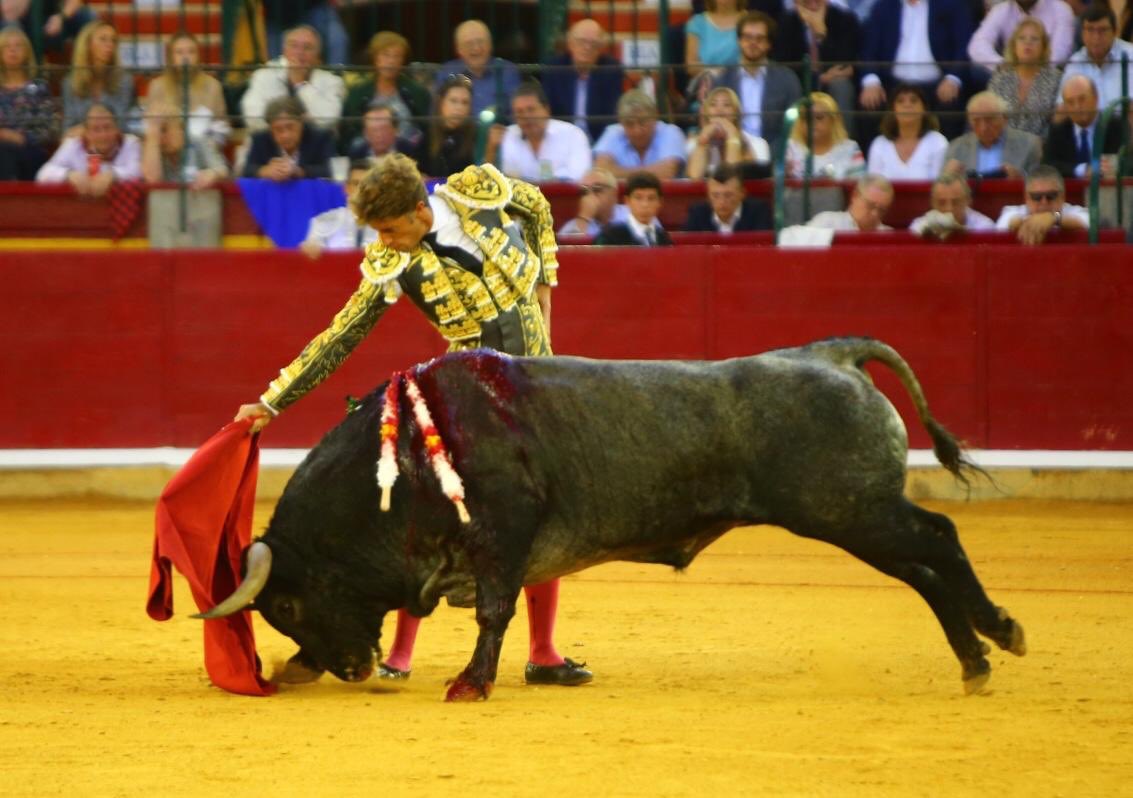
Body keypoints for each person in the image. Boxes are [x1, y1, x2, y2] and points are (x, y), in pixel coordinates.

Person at [233, 152, 593, 689]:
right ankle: (398, 655)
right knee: (427, 517)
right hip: (467, 396)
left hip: (536, 388)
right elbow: (342, 334)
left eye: (392, 228)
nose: (386, 241)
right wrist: (272, 400)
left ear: (422, 212)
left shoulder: (480, 193)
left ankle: (543, 652)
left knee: (540, 516)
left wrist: (546, 283)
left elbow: (537, 207)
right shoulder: (391, 262)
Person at [858, 0, 975, 139]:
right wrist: (871, 81)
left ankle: (948, 159)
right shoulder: (883, 7)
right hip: (893, 84)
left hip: (938, 84)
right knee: (870, 104)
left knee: (951, 104)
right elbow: (869, 50)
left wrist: (953, 78)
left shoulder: (951, 5)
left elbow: (964, 46)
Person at [715, 11, 802, 147]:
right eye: (747, 37)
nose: (753, 43)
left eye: (759, 38)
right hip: (732, 150)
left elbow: (795, 125)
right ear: (739, 41)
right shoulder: (723, 78)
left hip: (775, 153)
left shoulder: (787, 79)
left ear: (769, 44)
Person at [773, 0, 862, 132]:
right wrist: (818, 78)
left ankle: (843, 143)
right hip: (800, 83)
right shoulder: (787, 21)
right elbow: (783, 64)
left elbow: (844, 63)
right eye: (807, 1)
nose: (813, 4)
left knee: (842, 86)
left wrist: (821, 32)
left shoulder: (844, 19)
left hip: (831, 84)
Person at [241, 24, 345, 133]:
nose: (299, 53)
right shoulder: (263, 76)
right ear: (284, 51)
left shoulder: (332, 82)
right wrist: (292, 125)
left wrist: (300, 83)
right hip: (268, 144)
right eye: (293, 45)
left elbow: (327, 121)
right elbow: (252, 119)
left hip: (312, 146)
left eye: (307, 47)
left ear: (317, 57)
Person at [339, 31, 431, 151]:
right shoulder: (358, 92)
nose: (391, 61)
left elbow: (425, 129)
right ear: (375, 58)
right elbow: (349, 131)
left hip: (407, 154)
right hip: (367, 154)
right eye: (386, 55)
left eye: (397, 56)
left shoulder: (417, 92)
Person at [540, 18, 624, 142]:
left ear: (600, 49)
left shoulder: (610, 70)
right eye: (581, 42)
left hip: (598, 140)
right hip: (562, 140)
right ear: (570, 44)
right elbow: (549, 111)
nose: (587, 47)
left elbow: (612, 116)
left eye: (594, 44)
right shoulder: (555, 69)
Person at [36, 102, 141, 196]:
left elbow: (139, 172)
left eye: (107, 127)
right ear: (86, 133)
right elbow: (43, 175)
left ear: (117, 129)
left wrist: (113, 175)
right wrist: (69, 175)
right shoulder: (73, 145)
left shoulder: (130, 143)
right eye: (96, 129)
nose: (102, 135)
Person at [144, 32, 230, 147]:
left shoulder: (213, 86)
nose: (186, 57)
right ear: (171, 57)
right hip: (167, 152)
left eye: (191, 52)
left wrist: (205, 145)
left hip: (204, 152)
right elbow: (149, 126)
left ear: (198, 56)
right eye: (179, 52)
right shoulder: (157, 86)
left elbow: (222, 128)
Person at [499, 81, 592, 182]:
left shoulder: (573, 135)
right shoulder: (507, 136)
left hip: (562, 196)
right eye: (519, 112)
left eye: (531, 110)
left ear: (546, 110)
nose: (526, 117)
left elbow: (580, 179)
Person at [986, 19, 1063, 138]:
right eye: (1022, 38)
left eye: (1034, 39)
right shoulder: (1000, 78)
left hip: (1041, 148)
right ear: (1014, 45)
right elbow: (989, 118)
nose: (1028, 43)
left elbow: (1057, 123)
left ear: (1043, 47)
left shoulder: (1056, 79)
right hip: (1004, 148)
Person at [435, 20, 521, 123]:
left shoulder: (508, 72)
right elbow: (436, 118)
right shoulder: (446, 72)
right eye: (469, 43)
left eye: (481, 42)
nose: (476, 48)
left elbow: (517, 116)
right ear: (458, 49)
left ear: (490, 45)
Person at [942, 91, 1043, 178]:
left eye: (989, 120)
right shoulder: (956, 148)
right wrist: (948, 177)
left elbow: (1041, 184)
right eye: (976, 121)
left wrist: (1020, 179)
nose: (983, 128)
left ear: (1005, 118)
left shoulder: (1029, 144)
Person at [1044, 75, 1128, 177]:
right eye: (1070, 102)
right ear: (1065, 106)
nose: (1077, 107)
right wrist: (1082, 170)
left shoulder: (1115, 126)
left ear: (1096, 97)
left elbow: (1126, 163)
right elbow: (1048, 166)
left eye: (1082, 99)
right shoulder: (1058, 129)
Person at [0, 26, 55, 181]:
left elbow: (48, 130)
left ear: (27, 52)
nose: (13, 50)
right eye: (7, 46)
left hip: (29, 150)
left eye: (18, 46)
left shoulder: (39, 87)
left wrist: (21, 138)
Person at [62, 20, 134, 138]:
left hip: (113, 145)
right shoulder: (70, 82)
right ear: (88, 44)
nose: (110, 44)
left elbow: (121, 125)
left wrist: (86, 128)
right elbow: (67, 129)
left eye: (113, 40)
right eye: (103, 39)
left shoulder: (124, 80)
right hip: (82, 145)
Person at [592, 90, 687, 178]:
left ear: (655, 117)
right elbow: (601, 173)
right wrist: (652, 171)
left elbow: (666, 173)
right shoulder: (612, 132)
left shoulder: (670, 132)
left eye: (642, 122)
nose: (637, 130)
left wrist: (617, 172)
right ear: (620, 122)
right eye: (629, 123)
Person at [866, 84, 950, 180]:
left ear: (924, 109)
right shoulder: (879, 144)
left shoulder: (937, 142)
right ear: (893, 111)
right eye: (900, 101)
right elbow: (872, 186)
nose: (907, 105)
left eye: (913, 101)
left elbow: (939, 186)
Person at [1060, 5, 1133, 112]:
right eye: (1090, 30)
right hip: (1087, 125)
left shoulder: (1130, 55)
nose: (1096, 37)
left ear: (1115, 32)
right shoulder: (1075, 62)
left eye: (1102, 30)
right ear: (1082, 33)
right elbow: (1063, 107)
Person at [686, 86, 770, 179]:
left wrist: (732, 136)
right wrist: (704, 139)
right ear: (706, 112)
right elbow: (695, 177)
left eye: (727, 105)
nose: (719, 110)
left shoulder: (758, 144)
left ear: (736, 113)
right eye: (713, 104)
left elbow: (731, 178)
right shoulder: (693, 144)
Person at [242, 96, 335, 181]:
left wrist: (299, 172)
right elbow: (246, 170)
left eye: (290, 127)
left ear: (301, 122)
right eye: (278, 129)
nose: (285, 135)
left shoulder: (320, 138)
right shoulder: (260, 139)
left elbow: (330, 170)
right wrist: (264, 170)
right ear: (270, 128)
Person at [421, 74, 495, 178]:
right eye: (453, 101)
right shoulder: (428, 133)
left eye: (465, 103)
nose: (459, 108)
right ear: (441, 102)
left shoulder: (478, 135)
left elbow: (485, 175)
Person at [968, 0, 1077, 71]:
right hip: (1009, 73)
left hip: (1046, 73)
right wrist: (1001, 65)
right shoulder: (1001, 10)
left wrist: (1033, 71)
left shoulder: (1060, 9)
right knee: (976, 71)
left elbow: (1060, 52)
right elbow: (978, 44)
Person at [299, 160, 377, 259]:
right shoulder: (324, 220)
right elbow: (308, 248)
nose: (362, 190)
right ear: (346, 188)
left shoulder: (391, 225)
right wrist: (309, 248)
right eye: (356, 184)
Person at [141, 102, 228, 189]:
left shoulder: (200, 141)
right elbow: (152, 180)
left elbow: (223, 170)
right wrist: (152, 137)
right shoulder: (153, 146)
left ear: (181, 129)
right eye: (157, 131)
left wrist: (212, 174)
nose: (159, 137)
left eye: (164, 130)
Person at [995, 164, 1089, 243]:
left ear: (1062, 197)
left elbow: (1088, 221)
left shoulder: (1073, 211)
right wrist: (1032, 221)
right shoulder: (1013, 211)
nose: (1044, 202)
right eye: (1037, 197)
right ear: (1027, 198)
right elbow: (1005, 222)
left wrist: (1054, 217)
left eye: (1051, 196)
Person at [786, 91, 866, 178]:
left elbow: (859, 187)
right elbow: (781, 186)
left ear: (833, 121)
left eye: (819, 117)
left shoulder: (850, 148)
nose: (812, 123)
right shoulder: (790, 147)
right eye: (807, 118)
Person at [684, 163, 772, 232]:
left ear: (742, 194)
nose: (722, 202)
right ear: (708, 195)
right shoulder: (698, 214)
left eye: (728, 195)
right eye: (715, 195)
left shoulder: (758, 212)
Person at [594, 170, 674, 246]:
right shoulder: (609, 235)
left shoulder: (663, 237)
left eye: (651, 198)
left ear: (660, 202)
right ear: (627, 201)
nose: (645, 204)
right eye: (638, 198)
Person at [260, 0, 348, 67]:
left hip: (312, 8)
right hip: (274, 17)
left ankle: (337, 77)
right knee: (277, 63)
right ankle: (285, 86)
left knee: (336, 40)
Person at [908, 173, 996, 237]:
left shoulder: (985, 228)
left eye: (956, 202)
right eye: (941, 203)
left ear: (968, 201)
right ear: (932, 203)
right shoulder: (918, 227)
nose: (949, 208)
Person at [556, 166, 630, 237]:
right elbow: (568, 248)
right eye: (584, 191)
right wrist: (584, 218)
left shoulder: (631, 214)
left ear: (613, 194)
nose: (590, 196)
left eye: (597, 189)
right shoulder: (575, 225)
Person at [803, 173, 894, 230]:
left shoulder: (887, 236)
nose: (875, 213)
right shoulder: (826, 223)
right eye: (870, 205)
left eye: (882, 210)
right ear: (855, 196)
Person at [4, 0, 96, 56]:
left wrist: (61, 17)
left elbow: (74, 1)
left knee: (87, 16)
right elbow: (9, 15)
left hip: (55, 22)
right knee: (10, 27)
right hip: (25, 28)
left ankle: (84, 74)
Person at [686, 0, 746, 85]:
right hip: (706, 86)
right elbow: (691, 67)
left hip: (742, 84)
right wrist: (712, 73)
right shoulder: (697, 22)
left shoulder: (750, 21)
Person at [346, 103, 422, 165]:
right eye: (373, 130)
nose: (379, 135)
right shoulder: (357, 154)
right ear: (365, 133)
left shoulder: (409, 151)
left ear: (396, 130)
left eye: (384, 129)